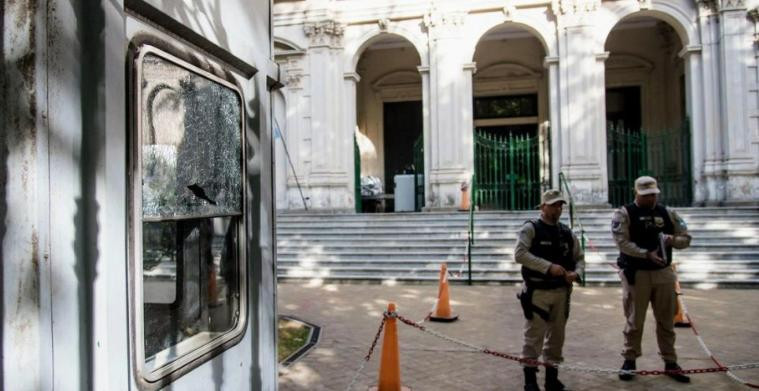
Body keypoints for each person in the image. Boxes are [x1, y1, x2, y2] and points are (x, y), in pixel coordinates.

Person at [612, 176, 692, 383]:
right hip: (637, 274)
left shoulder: (667, 213)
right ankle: (629, 360)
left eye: (654, 194)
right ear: (636, 193)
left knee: (666, 321)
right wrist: (645, 253)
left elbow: (686, 238)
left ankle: (670, 361)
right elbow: (622, 242)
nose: (651, 199)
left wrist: (672, 239)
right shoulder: (624, 214)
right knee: (634, 321)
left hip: (664, 274)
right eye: (646, 195)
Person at [515, 189, 584, 391]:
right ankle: (530, 380)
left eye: (560, 205)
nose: (558, 208)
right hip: (538, 291)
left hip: (561, 293)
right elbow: (520, 254)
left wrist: (577, 273)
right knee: (533, 337)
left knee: (557, 338)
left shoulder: (566, 232)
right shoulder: (531, 228)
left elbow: (579, 258)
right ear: (543, 206)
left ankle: (552, 379)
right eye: (554, 204)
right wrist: (548, 267)